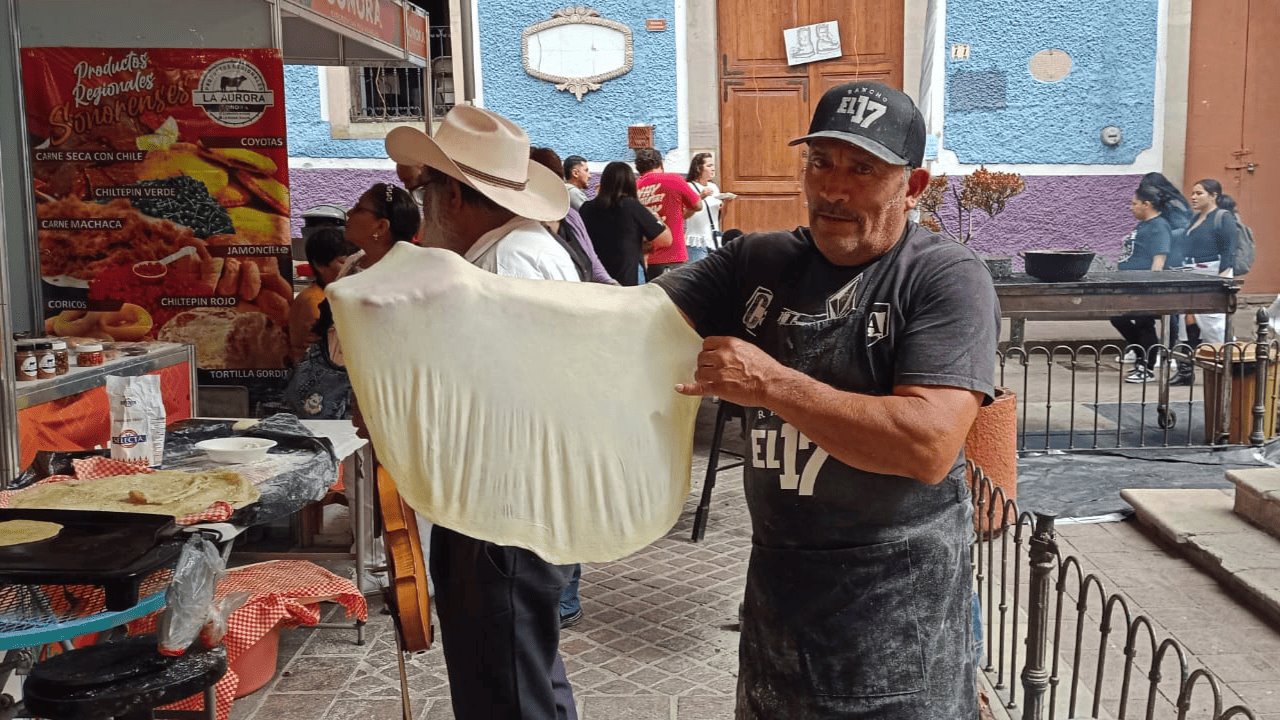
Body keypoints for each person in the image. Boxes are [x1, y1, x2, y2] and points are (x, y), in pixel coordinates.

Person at [653, 81, 997, 718]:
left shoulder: (944, 278)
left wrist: (772, 384)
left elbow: (926, 444)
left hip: (900, 628)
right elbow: (634, 322)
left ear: (912, 186)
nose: (833, 189)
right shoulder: (756, 262)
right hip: (779, 618)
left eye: (863, 169)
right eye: (821, 163)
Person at [385, 108, 580, 720]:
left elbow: (505, 398)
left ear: (454, 196)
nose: (424, 208)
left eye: (426, 191)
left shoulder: (508, 263)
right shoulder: (512, 252)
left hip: (503, 508)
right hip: (506, 505)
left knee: (509, 690)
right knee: (522, 679)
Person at [1110, 185, 1172, 383]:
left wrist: (1152, 288)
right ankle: (1139, 355)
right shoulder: (1143, 225)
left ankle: (1146, 366)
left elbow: (1159, 259)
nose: (1131, 207)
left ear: (1147, 204)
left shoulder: (1159, 226)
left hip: (1145, 286)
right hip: (1130, 284)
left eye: (1134, 203)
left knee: (1145, 323)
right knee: (1117, 317)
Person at [530, 147, 618, 285]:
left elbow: (592, 260)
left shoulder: (571, 216)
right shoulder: (525, 225)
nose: (589, 175)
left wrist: (611, 284)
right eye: (586, 171)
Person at [579, 161, 672, 286]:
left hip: (596, 279)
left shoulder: (586, 208)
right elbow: (665, 240)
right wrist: (656, 217)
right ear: (631, 183)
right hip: (627, 279)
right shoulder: (631, 206)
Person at [288, 227, 357, 363]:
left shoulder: (331, 294)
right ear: (319, 265)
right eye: (343, 262)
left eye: (353, 261)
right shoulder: (314, 302)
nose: (352, 268)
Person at [1182, 178, 1238, 345]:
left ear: (1213, 196)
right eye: (1192, 193)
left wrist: (1221, 280)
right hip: (1191, 273)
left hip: (1212, 271)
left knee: (1213, 322)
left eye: (1199, 193)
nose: (1193, 197)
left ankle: (1229, 359)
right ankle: (1187, 366)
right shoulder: (1195, 218)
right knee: (1188, 317)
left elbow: (1229, 250)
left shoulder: (1223, 217)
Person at [635, 147, 703, 279]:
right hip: (675, 255)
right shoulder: (673, 180)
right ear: (660, 163)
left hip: (649, 259)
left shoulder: (634, 187)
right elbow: (697, 205)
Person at [683, 152, 730, 263]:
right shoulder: (689, 187)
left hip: (713, 240)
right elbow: (684, 214)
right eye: (709, 166)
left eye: (713, 165)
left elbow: (719, 216)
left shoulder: (714, 187)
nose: (713, 169)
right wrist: (701, 197)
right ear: (699, 168)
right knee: (698, 277)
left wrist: (726, 204)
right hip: (696, 241)